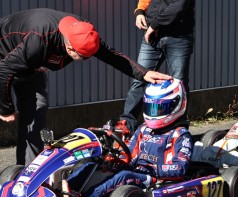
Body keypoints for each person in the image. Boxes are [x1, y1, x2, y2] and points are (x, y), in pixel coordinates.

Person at [0, 8, 171, 166]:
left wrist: (144, 73)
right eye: (83, 57)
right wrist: (5, 107)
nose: (87, 59)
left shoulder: (84, 32)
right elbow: (4, 70)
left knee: (37, 111)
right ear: (69, 48)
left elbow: (110, 55)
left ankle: (26, 177)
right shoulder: (38, 40)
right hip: (5, 57)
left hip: (31, 67)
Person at [66, 79, 193, 197]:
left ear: (176, 105)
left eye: (160, 108)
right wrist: (113, 161)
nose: (155, 112)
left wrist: (150, 168)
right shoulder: (144, 129)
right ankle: (64, 191)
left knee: (124, 176)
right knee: (91, 166)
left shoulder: (180, 135)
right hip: (136, 171)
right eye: (151, 107)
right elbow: (129, 154)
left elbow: (180, 167)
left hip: (155, 178)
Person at [118, 0, 195, 133]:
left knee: (178, 84)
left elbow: (180, 5)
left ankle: (178, 130)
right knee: (140, 78)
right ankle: (127, 124)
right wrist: (140, 12)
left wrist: (154, 24)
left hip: (178, 36)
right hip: (153, 36)